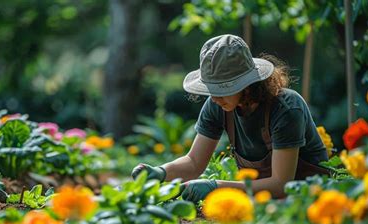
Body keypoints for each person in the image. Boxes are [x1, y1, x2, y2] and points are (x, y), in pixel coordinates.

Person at [131, 34, 329, 202]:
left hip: (308, 198)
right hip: (262, 199)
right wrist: (161, 173)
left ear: (247, 84)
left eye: (222, 89)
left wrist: (216, 187)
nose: (214, 97)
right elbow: (194, 162)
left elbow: (281, 184)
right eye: (211, 89)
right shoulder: (218, 105)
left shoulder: (286, 109)